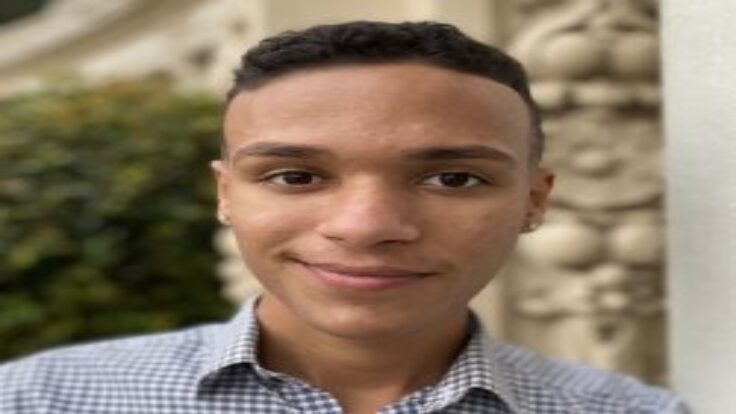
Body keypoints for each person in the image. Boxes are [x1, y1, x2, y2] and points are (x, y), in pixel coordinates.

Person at [0, 21, 687, 414]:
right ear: (226, 194)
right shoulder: (44, 401)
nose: (366, 226)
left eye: (452, 178)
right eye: (295, 176)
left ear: (534, 200)